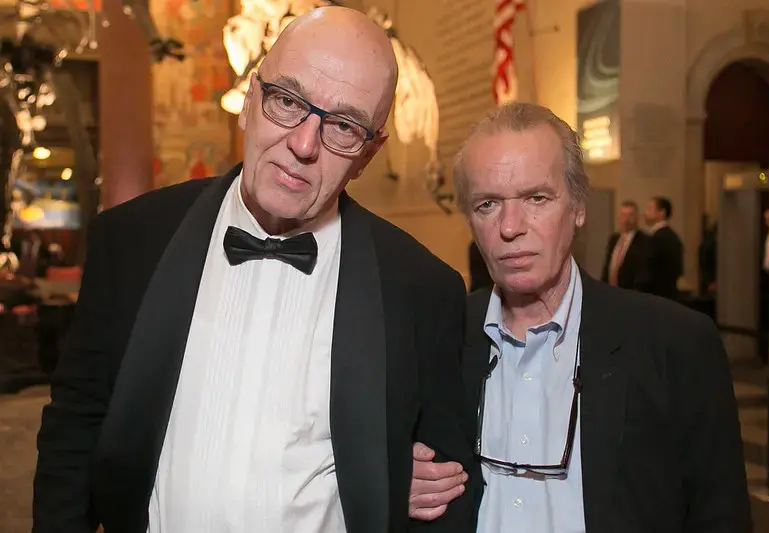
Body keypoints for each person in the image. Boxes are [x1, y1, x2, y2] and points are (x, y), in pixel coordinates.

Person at [33, 7, 476, 533]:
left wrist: (387, 474)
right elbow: (74, 431)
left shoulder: (423, 290)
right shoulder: (132, 242)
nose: (304, 145)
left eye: (343, 126)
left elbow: (443, 490)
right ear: (249, 100)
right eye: (287, 101)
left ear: (368, 153)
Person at [407, 103, 751, 532]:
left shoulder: (675, 345)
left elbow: (720, 516)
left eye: (537, 198)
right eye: (488, 204)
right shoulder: (437, 335)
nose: (511, 226)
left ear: (579, 208)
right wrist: (398, 480)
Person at [600, 200, 651, 292]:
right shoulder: (614, 239)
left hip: (630, 294)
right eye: (623, 215)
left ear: (637, 218)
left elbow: (643, 273)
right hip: (610, 293)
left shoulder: (644, 241)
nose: (626, 219)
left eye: (630, 215)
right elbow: (608, 266)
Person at [643, 196, 684, 301]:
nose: (645, 212)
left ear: (661, 213)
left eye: (650, 208)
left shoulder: (656, 239)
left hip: (656, 297)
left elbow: (648, 273)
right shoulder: (673, 237)